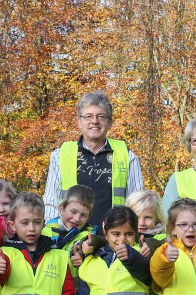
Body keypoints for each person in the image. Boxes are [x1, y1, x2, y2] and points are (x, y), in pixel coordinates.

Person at [43, 92, 146, 225]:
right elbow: (51, 202)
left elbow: (138, 205)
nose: (94, 121)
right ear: (79, 122)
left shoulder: (127, 155)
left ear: (110, 123)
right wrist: (54, 235)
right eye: (88, 116)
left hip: (115, 239)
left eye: (101, 116)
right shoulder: (60, 155)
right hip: (71, 240)